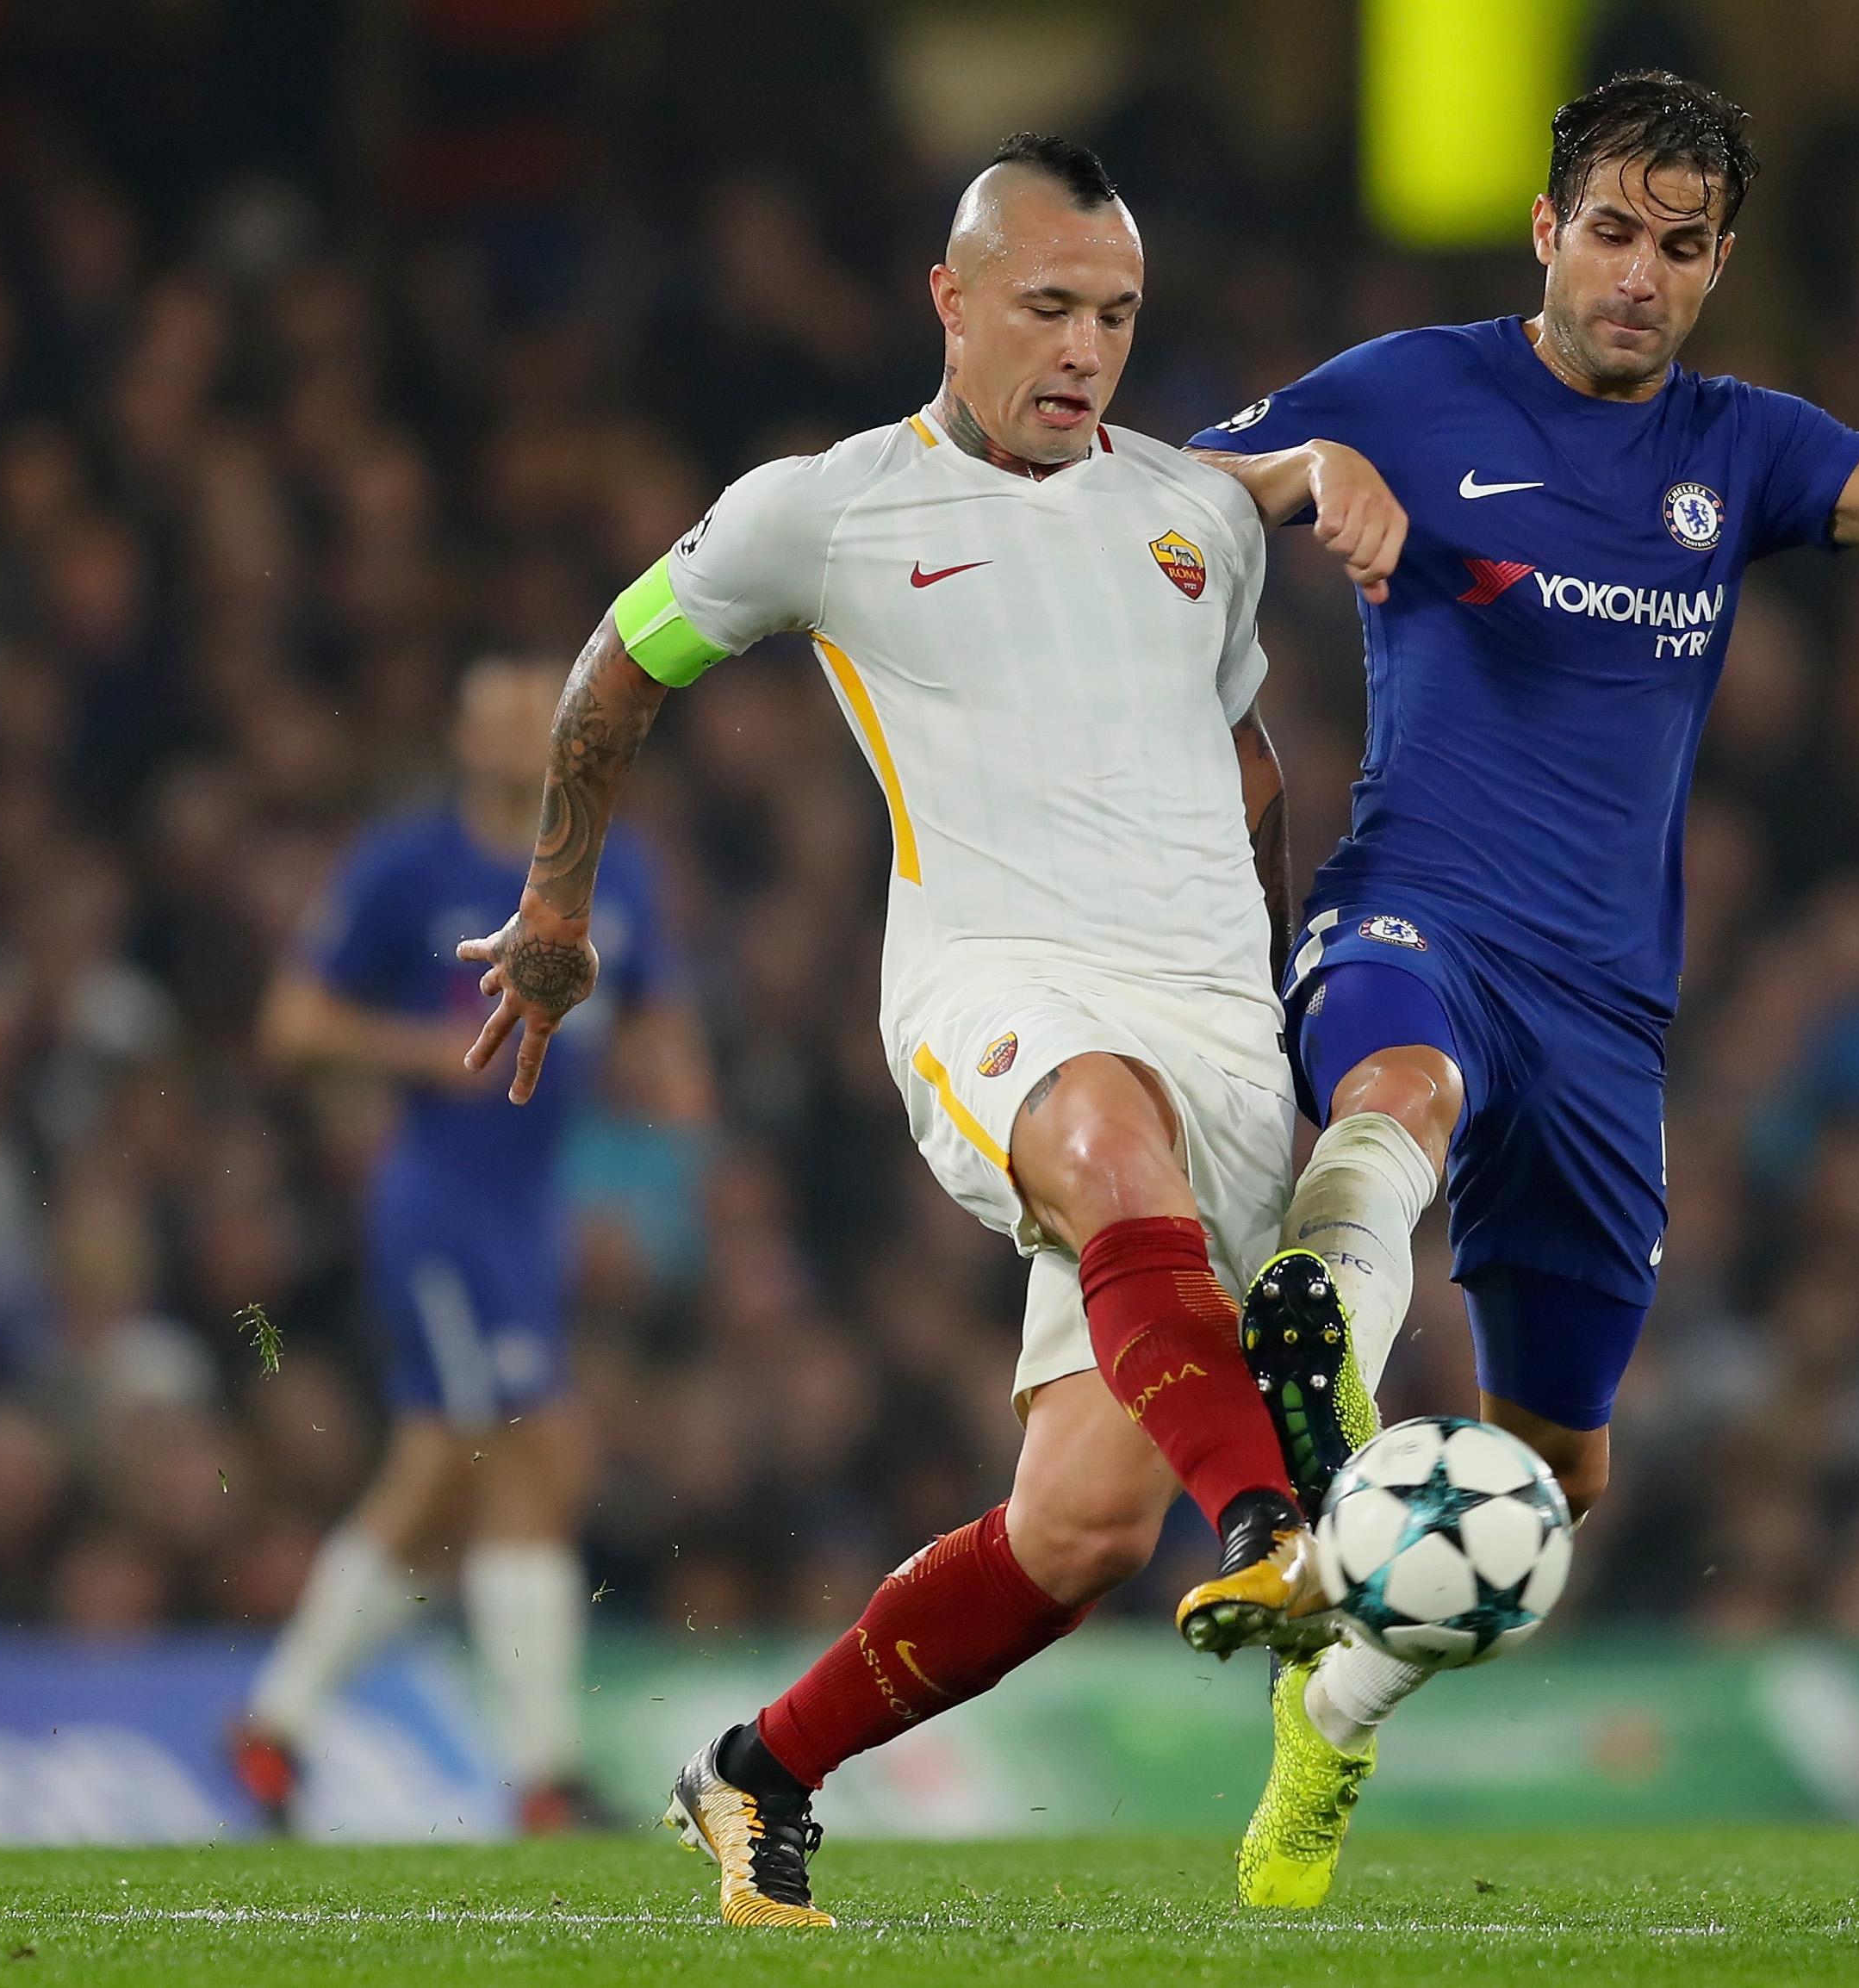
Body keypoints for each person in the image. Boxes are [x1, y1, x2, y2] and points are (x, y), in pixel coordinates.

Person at [1185, 69, 1859, 1904]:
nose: (1640, 277)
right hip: (1416, 909)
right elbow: (1154, 505)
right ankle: (1314, 1388)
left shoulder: (1738, 447)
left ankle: (1331, 1719)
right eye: (1610, 233)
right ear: (1545, 228)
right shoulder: (1411, 391)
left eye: (1681, 249)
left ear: (1719, 261)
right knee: (1389, 1105)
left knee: (1552, 1488)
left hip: (1606, 1012)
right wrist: (1296, 470)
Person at [456, 135, 1402, 1929]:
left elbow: (1248, 763)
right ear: (950, 303)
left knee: (1078, 1531)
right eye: (1049, 305)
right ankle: (1274, 1524)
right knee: (1106, 1136)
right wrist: (562, 900)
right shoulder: (822, 509)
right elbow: (619, 657)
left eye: (1118, 314)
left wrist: (1280, 984)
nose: (1087, 347)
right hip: (997, 992)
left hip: (1207, 1017)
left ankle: (755, 1771)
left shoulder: (1194, 516)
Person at [230, 655, 706, 1835]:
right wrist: (438, 1050)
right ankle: (539, 1773)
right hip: (439, 1198)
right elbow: (292, 1024)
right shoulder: (409, 863)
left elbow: (666, 1046)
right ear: (459, 738)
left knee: (451, 1475)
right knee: (531, 1450)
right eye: (490, 717)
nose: (513, 739)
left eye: (533, 719)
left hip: (534, 1209)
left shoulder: (616, 867)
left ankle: (275, 1729)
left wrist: (659, 1100)